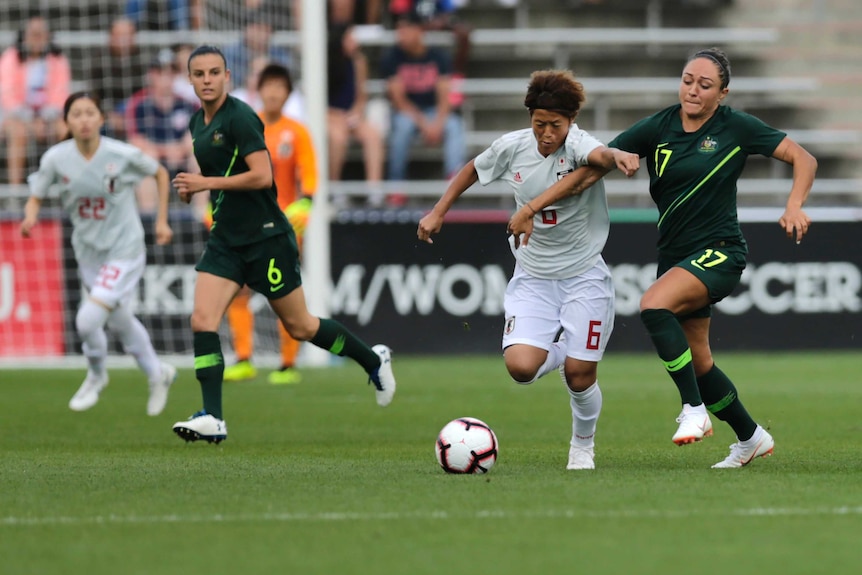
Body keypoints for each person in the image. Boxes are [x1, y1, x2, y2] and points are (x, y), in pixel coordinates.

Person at [507, 48, 817, 469]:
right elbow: (590, 170)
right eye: (688, 79)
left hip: (720, 251)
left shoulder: (737, 127)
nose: (693, 89)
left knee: (653, 304)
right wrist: (531, 207)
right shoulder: (661, 125)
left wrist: (795, 204)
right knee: (701, 363)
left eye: (705, 85)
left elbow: (804, 158)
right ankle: (751, 437)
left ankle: (692, 410)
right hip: (675, 255)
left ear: (722, 93)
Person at [171, 45, 396, 444]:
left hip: (266, 237)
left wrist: (206, 184)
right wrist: (197, 192)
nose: (206, 80)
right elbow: (221, 177)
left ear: (227, 77)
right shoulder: (196, 124)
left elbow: (261, 176)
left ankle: (371, 359)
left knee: (301, 325)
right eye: (199, 74)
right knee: (202, 320)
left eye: (213, 73)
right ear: (190, 80)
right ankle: (213, 416)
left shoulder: (240, 117)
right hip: (226, 239)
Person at [417, 70, 639, 469]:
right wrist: (438, 211)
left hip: (584, 273)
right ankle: (562, 353)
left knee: (580, 375)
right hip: (533, 276)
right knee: (520, 369)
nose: (547, 133)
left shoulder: (577, 145)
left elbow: (600, 156)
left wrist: (617, 155)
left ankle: (582, 446)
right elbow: (472, 169)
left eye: (556, 124)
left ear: (571, 122)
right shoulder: (513, 148)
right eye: (540, 124)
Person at [19, 91, 177, 416]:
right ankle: (157, 373)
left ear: (101, 119)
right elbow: (36, 193)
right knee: (119, 320)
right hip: (88, 253)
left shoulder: (120, 154)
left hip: (125, 250)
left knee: (87, 319)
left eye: (90, 112)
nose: (84, 119)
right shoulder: (55, 159)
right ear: (67, 122)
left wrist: (161, 221)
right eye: (76, 114)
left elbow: (160, 172)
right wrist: (30, 215)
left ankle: (96, 375)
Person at [222, 63, 319, 386]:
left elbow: (309, 171)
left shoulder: (298, 131)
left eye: (280, 87)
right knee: (238, 289)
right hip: (248, 222)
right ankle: (244, 358)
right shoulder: (247, 127)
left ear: (288, 94)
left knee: (284, 294)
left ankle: (288, 364)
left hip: (283, 224)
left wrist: (306, 202)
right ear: (259, 91)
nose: (274, 92)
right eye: (269, 86)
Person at [381, 9, 466, 183]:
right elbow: (399, 101)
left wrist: (438, 123)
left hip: (433, 111)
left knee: (455, 125)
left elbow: (445, 95)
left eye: (405, 29)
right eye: (399, 29)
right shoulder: (391, 57)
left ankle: (455, 181)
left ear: (419, 30)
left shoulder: (438, 57)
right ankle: (396, 184)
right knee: (402, 127)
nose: (401, 35)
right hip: (408, 113)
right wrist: (424, 124)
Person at [125, 49, 198, 211]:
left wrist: (181, 149)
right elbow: (135, 140)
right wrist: (167, 151)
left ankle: (202, 220)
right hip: (155, 162)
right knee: (146, 158)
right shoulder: (138, 104)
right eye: (160, 72)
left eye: (171, 71)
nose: (166, 76)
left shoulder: (188, 104)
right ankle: (150, 218)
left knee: (198, 155)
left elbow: (196, 136)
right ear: (152, 74)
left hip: (182, 163)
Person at [0, 15, 70, 185]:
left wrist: (46, 118)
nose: (37, 38)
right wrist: (29, 119)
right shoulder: (11, 57)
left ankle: (66, 186)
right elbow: (7, 93)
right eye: (33, 34)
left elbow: (61, 93)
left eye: (41, 34)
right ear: (24, 35)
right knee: (18, 132)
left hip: (48, 118)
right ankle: (15, 192)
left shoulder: (58, 59)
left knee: (66, 129)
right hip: (17, 117)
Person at [327, 23, 385, 197]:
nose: (354, 42)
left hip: (351, 115)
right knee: (338, 138)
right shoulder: (324, 62)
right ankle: (334, 186)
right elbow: (317, 101)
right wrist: (337, 116)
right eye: (350, 38)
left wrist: (355, 113)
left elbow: (361, 96)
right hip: (328, 115)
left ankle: (374, 190)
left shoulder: (359, 61)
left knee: (373, 136)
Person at [87, 17, 150, 139]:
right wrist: (108, 115)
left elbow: (147, 94)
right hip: (109, 115)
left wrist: (131, 114)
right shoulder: (99, 61)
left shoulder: (143, 60)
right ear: (110, 37)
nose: (123, 40)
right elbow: (94, 96)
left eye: (127, 35)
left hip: (137, 113)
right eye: (119, 35)